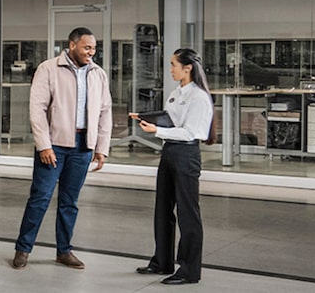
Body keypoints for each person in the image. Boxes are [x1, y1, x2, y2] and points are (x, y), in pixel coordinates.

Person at [11, 27, 111, 270]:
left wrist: (101, 147)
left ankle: (64, 251)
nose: (91, 52)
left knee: (70, 201)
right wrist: (44, 145)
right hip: (54, 145)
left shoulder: (98, 73)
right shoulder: (49, 69)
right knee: (40, 197)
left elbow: (105, 111)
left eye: (94, 48)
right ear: (73, 45)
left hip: (82, 147)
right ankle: (23, 249)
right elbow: (37, 109)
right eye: (87, 47)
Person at [129, 48, 213, 285]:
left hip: (186, 155)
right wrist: (149, 118)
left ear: (188, 68)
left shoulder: (199, 97)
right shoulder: (176, 93)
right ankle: (161, 262)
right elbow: (172, 120)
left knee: (188, 213)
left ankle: (189, 270)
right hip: (169, 152)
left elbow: (191, 132)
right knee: (163, 210)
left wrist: (157, 130)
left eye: (174, 64)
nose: (170, 69)